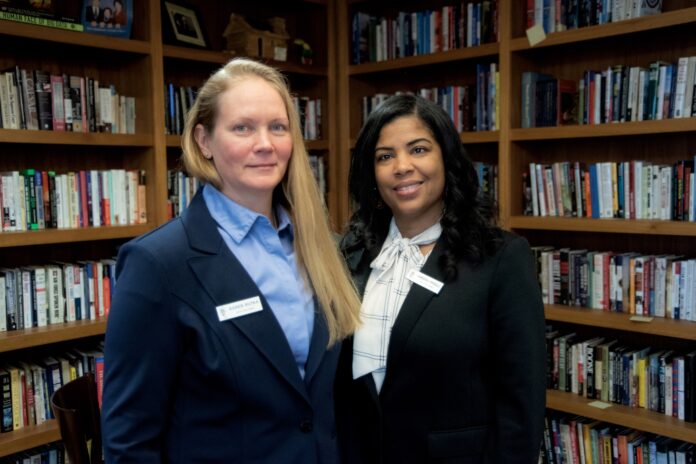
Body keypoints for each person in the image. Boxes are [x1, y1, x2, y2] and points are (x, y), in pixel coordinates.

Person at [101, 58, 361, 463]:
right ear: (204, 141)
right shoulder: (158, 263)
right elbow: (129, 439)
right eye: (243, 127)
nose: (265, 144)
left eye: (278, 127)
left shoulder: (324, 249)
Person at [335, 94, 546, 464]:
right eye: (385, 156)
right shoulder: (348, 254)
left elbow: (521, 401)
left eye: (418, 149)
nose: (402, 167)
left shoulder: (500, 257)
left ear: (446, 158)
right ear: (372, 174)